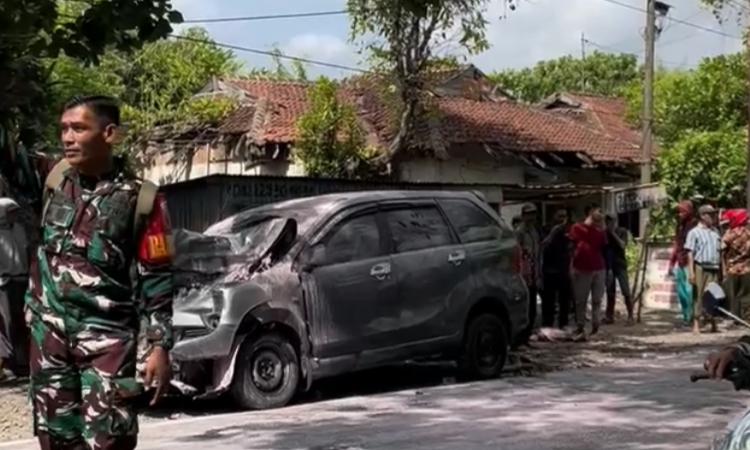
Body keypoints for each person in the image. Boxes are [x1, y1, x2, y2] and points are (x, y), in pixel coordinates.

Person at [22, 95, 175, 450]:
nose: (67, 137)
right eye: (63, 129)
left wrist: (159, 346)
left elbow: (158, 277)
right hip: (50, 342)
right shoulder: (52, 178)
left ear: (108, 133)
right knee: (55, 440)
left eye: (78, 128)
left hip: (106, 343)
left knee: (108, 441)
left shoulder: (142, 199)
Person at [0, 197, 30, 377]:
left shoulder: (19, 229)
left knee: (23, 320)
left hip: (21, 280)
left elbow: (24, 251)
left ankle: (24, 360)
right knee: (7, 322)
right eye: (10, 213)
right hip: (4, 283)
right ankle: (10, 361)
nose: (14, 216)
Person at [568, 203, 607, 338]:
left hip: (599, 268)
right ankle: (580, 326)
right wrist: (571, 266)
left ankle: (596, 325)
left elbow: (604, 247)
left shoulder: (600, 232)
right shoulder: (577, 228)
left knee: (597, 299)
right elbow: (571, 248)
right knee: (581, 299)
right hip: (582, 268)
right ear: (589, 213)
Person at [685, 204, 722, 334]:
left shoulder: (715, 232)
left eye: (713, 214)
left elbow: (719, 251)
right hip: (700, 266)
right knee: (698, 295)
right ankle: (696, 322)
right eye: (710, 214)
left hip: (714, 267)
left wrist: (722, 269)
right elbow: (690, 253)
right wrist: (691, 272)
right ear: (702, 216)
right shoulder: (694, 232)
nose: (712, 217)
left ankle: (713, 322)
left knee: (713, 295)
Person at [540, 207, 572, 329]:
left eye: (564, 216)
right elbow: (542, 246)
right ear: (554, 216)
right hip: (549, 269)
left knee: (565, 299)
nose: (562, 220)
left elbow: (572, 248)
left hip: (564, 268)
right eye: (560, 216)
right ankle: (547, 324)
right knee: (549, 300)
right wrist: (553, 232)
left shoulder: (568, 230)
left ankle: (563, 324)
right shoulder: (546, 229)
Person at [515, 203, 541, 346]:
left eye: (533, 214)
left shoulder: (534, 232)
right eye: (529, 214)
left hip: (533, 274)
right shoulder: (520, 232)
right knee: (523, 309)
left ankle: (526, 338)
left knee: (532, 309)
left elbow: (537, 255)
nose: (531, 217)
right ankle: (519, 339)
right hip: (523, 275)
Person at [668, 201, 697, 326]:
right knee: (681, 292)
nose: (680, 214)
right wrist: (671, 262)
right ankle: (686, 316)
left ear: (689, 211)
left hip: (691, 262)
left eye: (682, 211)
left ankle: (692, 317)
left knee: (690, 291)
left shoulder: (695, 225)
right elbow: (677, 244)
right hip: (680, 261)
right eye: (679, 212)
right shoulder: (680, 226)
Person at [721, 209, 750, 322]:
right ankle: (745, 316)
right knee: (745, 295)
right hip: (746, 269)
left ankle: (736, 317)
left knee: (733, 295)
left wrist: (723, 270)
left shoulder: (729, 233)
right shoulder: (748, 233)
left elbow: (721, 252)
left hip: (733, 269)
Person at [604, 214, 634, 325]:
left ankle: (631, 316)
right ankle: (609, 316)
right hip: (609, 265)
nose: (611, 223)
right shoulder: (604, 233)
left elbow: (622, 245)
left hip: (620, 264)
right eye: (609, 221)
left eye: (613, 221)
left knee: (625, 291)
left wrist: (612, 233)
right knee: (610, 292)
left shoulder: (622, 231)